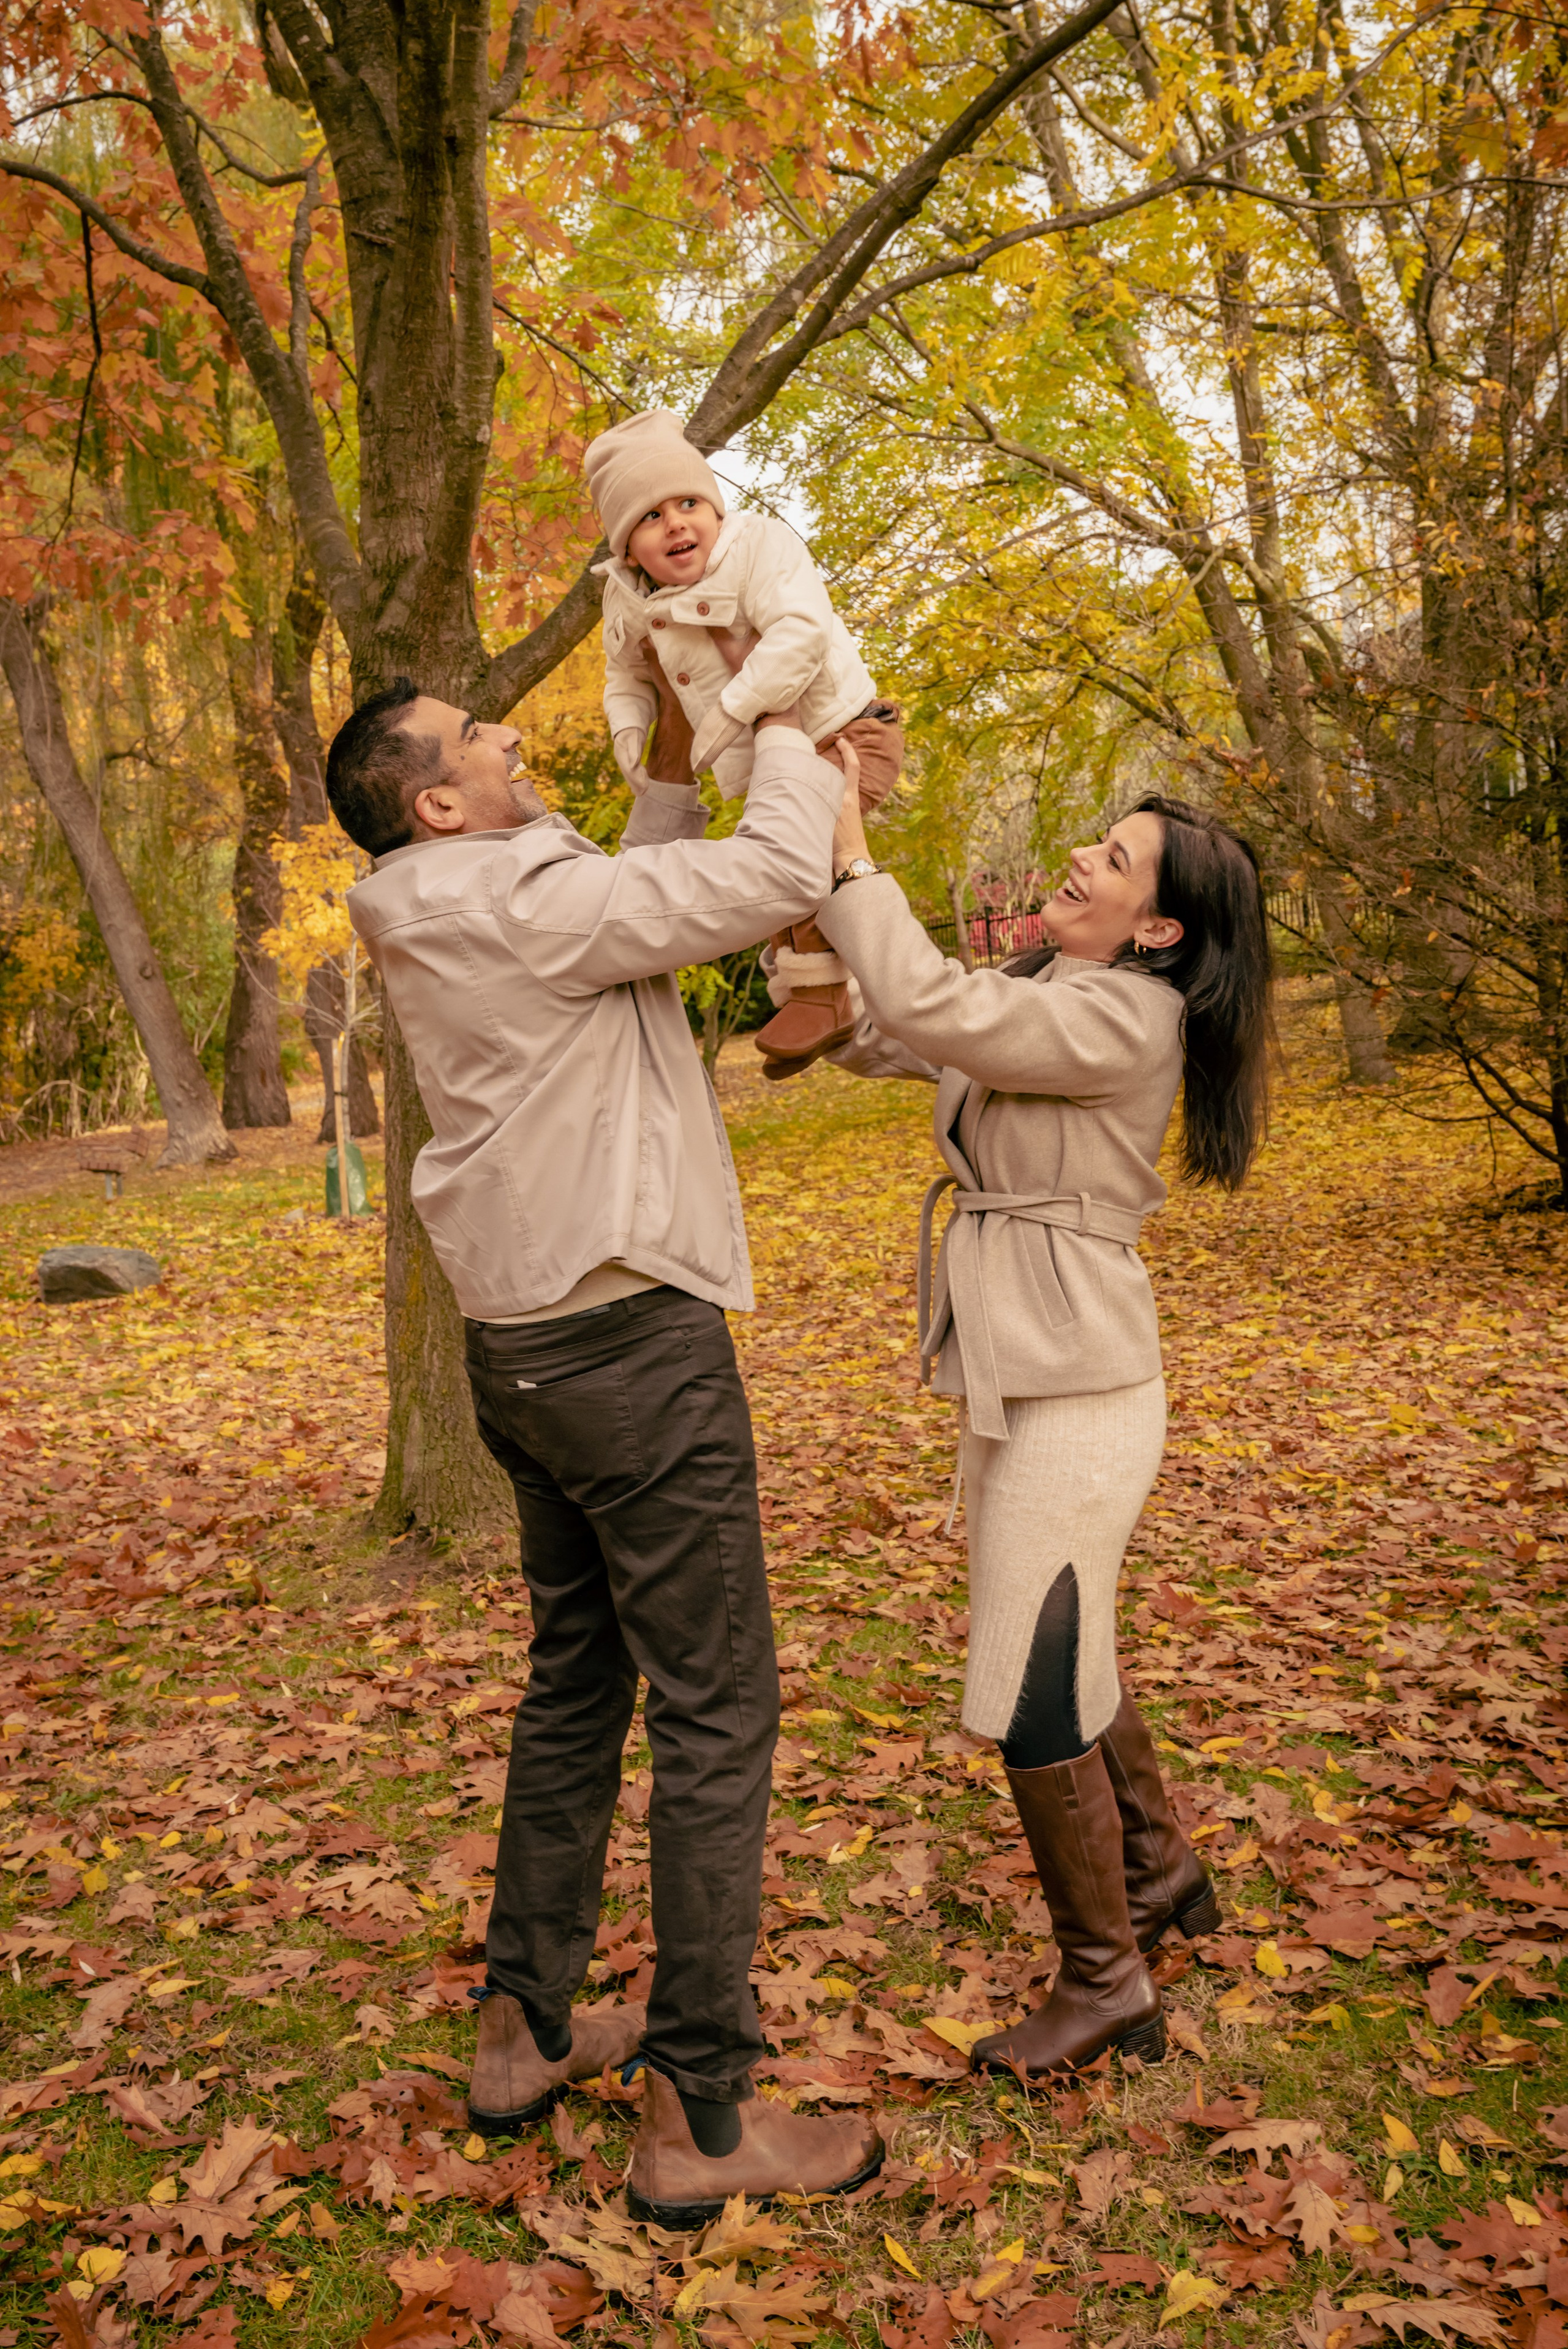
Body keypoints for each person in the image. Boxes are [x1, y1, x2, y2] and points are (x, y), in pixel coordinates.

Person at [324, 656, 883, 2222]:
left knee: (579, 1677)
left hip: (523, 1347)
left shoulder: (454, 898)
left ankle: (523, 2027)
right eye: (475, 735)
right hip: (631, 1346)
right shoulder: (521, 901)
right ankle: (700, 2112)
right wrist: (791, 728)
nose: (506, 733)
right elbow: (762, 876)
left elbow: (630, 892)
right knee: (720, 1708)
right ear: (439, 803)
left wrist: (673, 756)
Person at [795, 775, 1272, 2077]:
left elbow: (933, 1006)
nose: (1078, 858)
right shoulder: (1054, 992)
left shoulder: (1123, 1016)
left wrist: (853, 862)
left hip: (1080, 1391)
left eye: (1112, 858)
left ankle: (1105, 1982)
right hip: (1037, 1368)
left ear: (1157, 929)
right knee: (1069, 1645)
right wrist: (809, 948)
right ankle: (1158, 1872)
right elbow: (894, 1031)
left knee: (1028, 1679)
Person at [584, 407, 903, 1072]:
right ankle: (809, 1006)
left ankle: (821, 998)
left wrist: (733, 710)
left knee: (803, 857)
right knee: (772, 880)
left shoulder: (758, 547)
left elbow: (800, 634)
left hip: (843, 732)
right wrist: (628, 728)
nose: (676, 523)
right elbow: (626, 674)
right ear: (627, 550)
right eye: (650, 516)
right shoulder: (625, 599)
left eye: (689, 503)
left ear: (716, 508)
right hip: (769, 763)